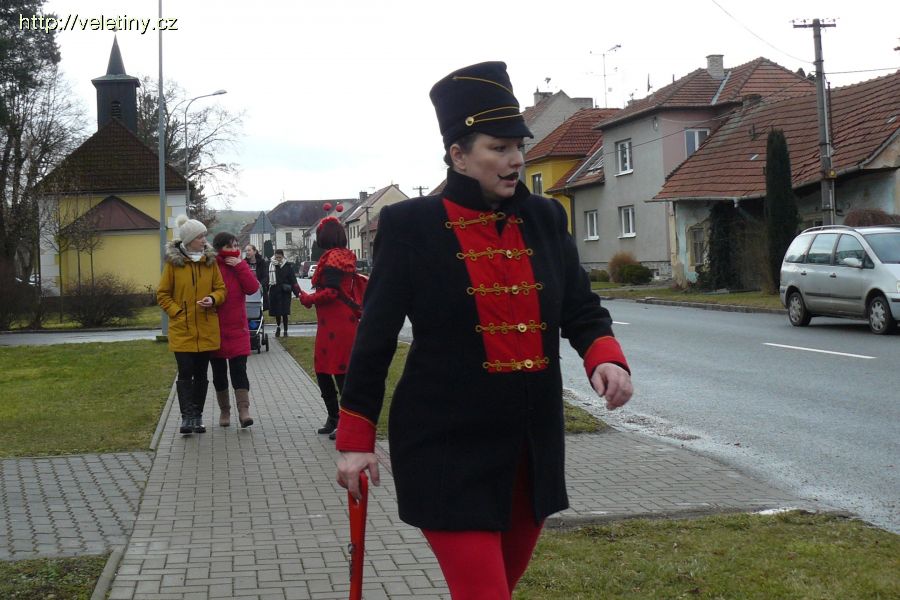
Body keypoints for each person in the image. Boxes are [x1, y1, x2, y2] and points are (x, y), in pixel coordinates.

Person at [334, 61, 633, 599]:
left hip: (530, 452)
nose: (516, 159)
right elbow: (374, 339)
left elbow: (581, 308)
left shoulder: (546, 218)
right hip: (445, 449)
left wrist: (604, 357)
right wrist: (356, 440)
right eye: (499, 148)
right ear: (458, 155)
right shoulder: (410, 226)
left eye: (519, 146)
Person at [157, 214, 226, 435]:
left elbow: (221, 289)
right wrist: (177, 313)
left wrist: (213, 299)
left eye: (204, 236)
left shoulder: (210, 263)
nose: (204, 240)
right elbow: (163, 294)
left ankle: (198, 416)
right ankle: (187, 417)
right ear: (188, 240)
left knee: (201, 374)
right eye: (199, 237)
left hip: (205, 328)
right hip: (182, 328)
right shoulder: (173, 265)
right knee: (185, 372)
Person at [297, 217, 361, 436]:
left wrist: (309, 299)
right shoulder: (343, 255)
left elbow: (332, 292)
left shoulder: (334, 257)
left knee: (337, 371)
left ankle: (344, 421)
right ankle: (335, 418)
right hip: (335, 322)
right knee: (325, 370)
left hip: (337, 322)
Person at [211, 232, 260, 428]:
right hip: (215, 328)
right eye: (230, 246)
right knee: (219, 374)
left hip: (238, 328)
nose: (235, 249)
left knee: (239, 371)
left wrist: (240, 266)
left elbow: (252, 288)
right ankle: (225, 411)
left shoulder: (240, 265)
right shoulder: (212, 266)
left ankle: (243, 410)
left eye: (236, 245)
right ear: (220, 248)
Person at [267, 249, 295, 337]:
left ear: (283, 256)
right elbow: (267, 279)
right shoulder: (271, 265)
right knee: (277, 312)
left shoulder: (287, 266)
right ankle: (278, 327)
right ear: (274, 256)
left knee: (285, 312)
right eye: (277, 257)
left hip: (284, 292)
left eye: (280, 257)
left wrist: (297, 292)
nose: (278, 259)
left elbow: (293, 280)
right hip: (275, 292)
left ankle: (286, 330)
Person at [244, 243, 269, 311]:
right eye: (246, 251)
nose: (247, 252)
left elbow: (266, 276)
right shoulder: (244, 263)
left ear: (255, 251)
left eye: (249, 250)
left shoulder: (262, 262)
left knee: (259, 309)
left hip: (259, 290)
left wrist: (260, 284)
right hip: (247, 290)